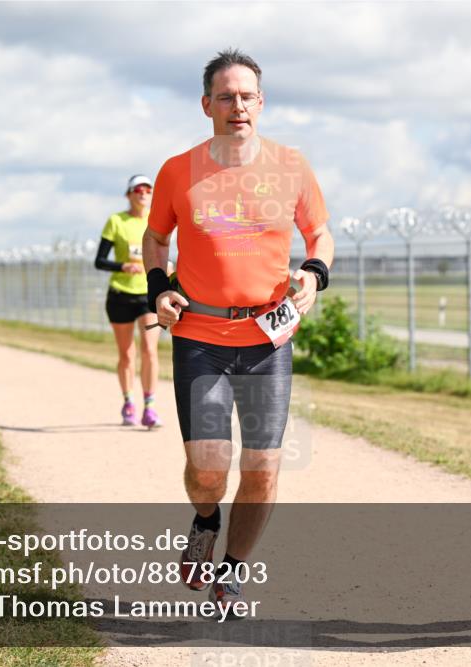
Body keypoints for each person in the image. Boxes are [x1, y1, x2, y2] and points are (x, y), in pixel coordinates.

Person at [143, 49, 334, 612]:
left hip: (267, 339)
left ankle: (235, 567)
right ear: (207, 105)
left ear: (261, 102)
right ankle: (206, 519)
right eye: (225, 96)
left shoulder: (292, 166)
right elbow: (155, 240)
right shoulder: (178, 170)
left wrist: (314, 274)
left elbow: (320, 234)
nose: (237, 106)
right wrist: (160, 288)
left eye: (247, 95)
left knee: (263, 466)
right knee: (208, 470)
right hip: (200, 337)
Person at [95, 174, 163, 427]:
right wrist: (123, 266)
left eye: (148, 188)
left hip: (148, 296)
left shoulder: (157, 221)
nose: (143, 192)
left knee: (149, 349)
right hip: (121, 294)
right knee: (126, 354)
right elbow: (99, 261)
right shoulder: (116, 221)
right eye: (138, 189)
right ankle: (128, 401)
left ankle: (150, 406)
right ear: (129, 194)